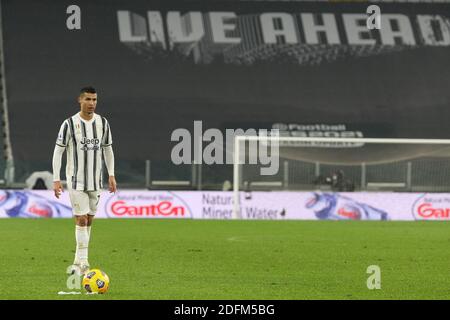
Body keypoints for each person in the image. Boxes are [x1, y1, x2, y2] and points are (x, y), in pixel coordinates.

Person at [52, 86, 117, 275]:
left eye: (94, 100)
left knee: (88, 220)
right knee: (80, 219)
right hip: (76, 180)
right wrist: (56, 179)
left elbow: (108, 149)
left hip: (96, 180)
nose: (92, 104)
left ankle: (76, 262)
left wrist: (111, 174)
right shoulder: (69, 124)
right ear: (80, 100)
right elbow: (59, 151)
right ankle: (84, 262)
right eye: (88, 99)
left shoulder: (103, 123)